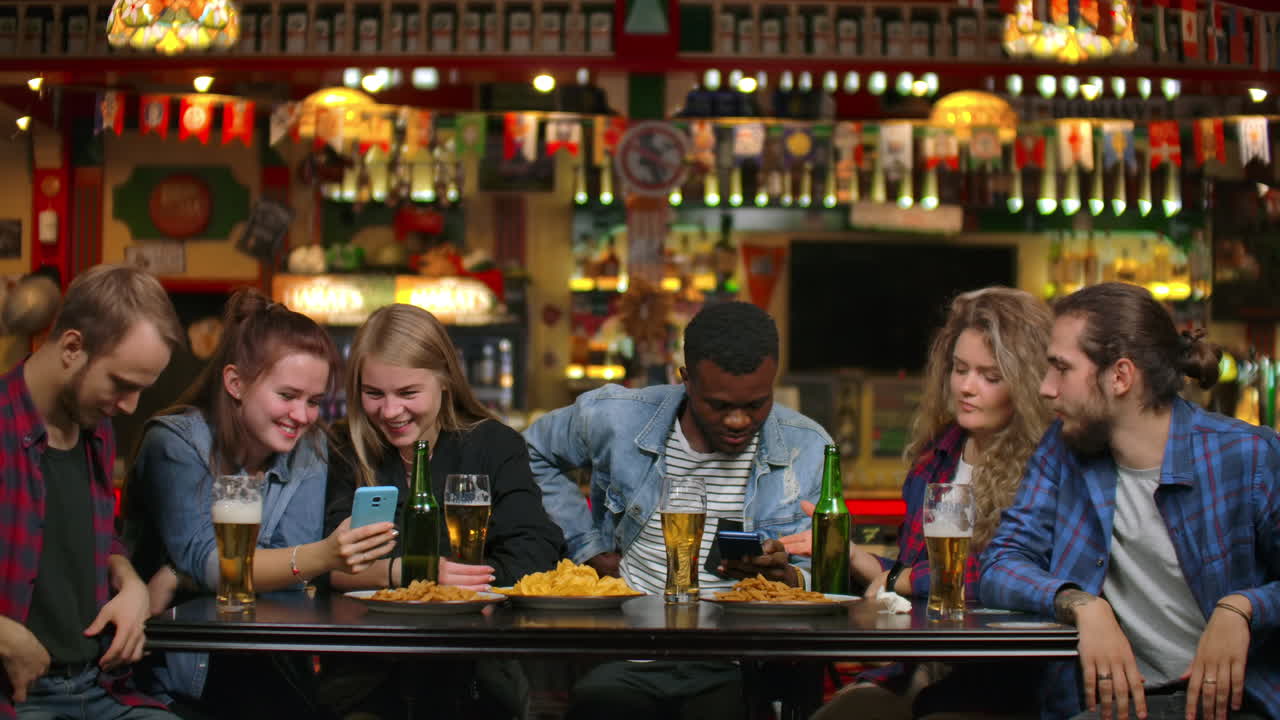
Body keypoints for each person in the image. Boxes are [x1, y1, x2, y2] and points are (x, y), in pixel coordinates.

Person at [980, 282, 1279, 720]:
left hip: (1238, 706)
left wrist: (1243, 608)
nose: (1046, 388)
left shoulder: (1246, 455)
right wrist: (1081, 604)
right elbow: (1001, 563)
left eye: (1061, 368)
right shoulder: (1061, 450)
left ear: (1120, 376)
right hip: (1114, 708)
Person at [525, 300, 831, 720]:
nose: (739, 421)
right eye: (720, 406)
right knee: (602, 703)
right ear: (685, 379)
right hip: (629, 650)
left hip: (742, 662)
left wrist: (789, 578)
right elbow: (528, 451)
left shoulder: (809, 447)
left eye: (756, 404)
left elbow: (826, 577)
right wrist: (587, 546)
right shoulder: (618, 416)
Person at [126, 289, 396, 719]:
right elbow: (211, 563)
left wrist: (178, 574)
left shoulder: (311, 449)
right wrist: (321, 556)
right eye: (287, 396)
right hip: (174, 673)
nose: (303, 416)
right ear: (235, 383)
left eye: (313, 401)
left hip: (269, 660)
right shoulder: (177, 442)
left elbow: (283, 580)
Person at [790, 287, 1052, 720]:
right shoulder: (938, 454)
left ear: (1025, 384)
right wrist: (857, 559)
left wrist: (907, 581)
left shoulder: (1047, 464)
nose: (967, 387)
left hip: (1002, 678)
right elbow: (910, 573)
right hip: (919, 666)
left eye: (990, 376)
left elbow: (1013, 576)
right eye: (960, 369)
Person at [323, 303, 564, 719]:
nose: (390, 411)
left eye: (408, 393)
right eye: (374, 394)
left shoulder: (493, 444)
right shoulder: (345, 448)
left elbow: (534, 553)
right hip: (366, 673)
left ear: (446, 381)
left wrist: (419, 579)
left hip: (473, 670)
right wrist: (428, 572)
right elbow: (330, 562)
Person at [0, 265, 184, 720]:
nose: (130, 407)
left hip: (101, 688)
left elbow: (93, 540)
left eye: (142, 389)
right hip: (19, 698)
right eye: (122, 384)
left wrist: (130, 581)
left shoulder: (95, 432)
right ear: (71, 347)